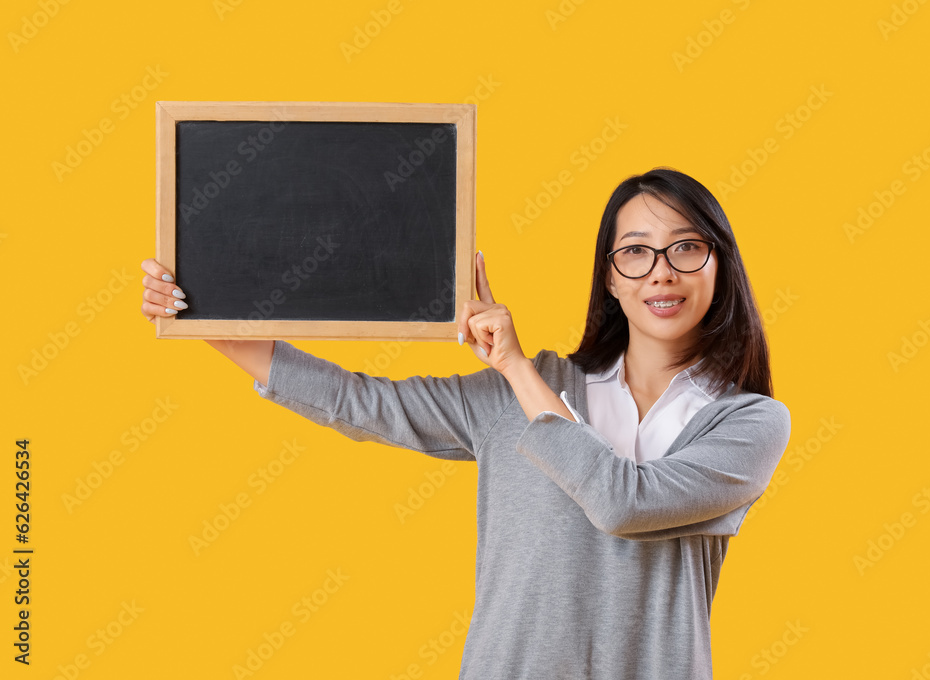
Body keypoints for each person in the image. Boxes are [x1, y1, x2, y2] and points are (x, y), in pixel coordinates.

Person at [140, 166, 791, 679]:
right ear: (610, 280)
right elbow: (358, 401)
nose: (661, 272)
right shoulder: (513, 393)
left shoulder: (747, 423)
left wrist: (513, 365)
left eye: (686, 248)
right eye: (636, 253)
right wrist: (200, 312)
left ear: (719, 265)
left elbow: (621, 502)